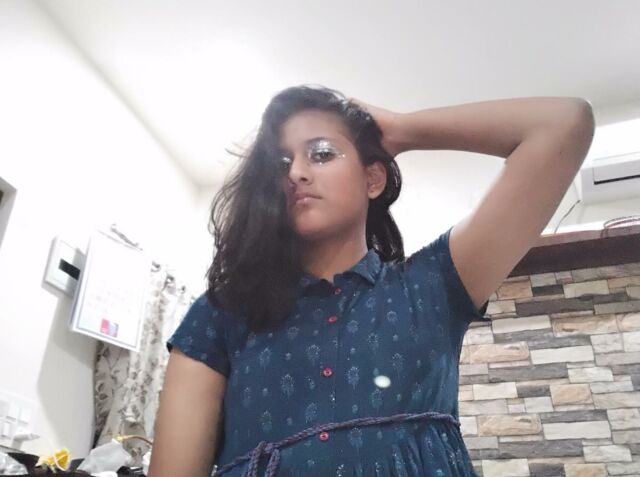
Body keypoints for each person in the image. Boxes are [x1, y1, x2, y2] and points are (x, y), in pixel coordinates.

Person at [148, 85, 594, 477]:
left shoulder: (432, 286)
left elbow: (564, 123)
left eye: (321, 153)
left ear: (373, 178)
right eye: (281, 162)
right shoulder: (220, 315)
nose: (296, 172)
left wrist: (401, 129)